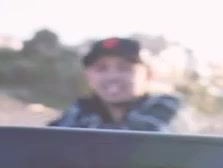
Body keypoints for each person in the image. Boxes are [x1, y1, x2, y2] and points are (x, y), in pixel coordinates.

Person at [47, 37, 182, 132]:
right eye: (101, 68)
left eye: (124, 68)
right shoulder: (78, 112)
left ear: (148, 75)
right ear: (88, 76)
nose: (112, 77)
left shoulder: (168, 109)